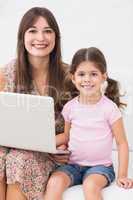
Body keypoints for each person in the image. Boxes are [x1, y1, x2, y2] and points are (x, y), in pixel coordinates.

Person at [0, 7, 72, 200]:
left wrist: (60, 146)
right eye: (32, 31)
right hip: (11, 148)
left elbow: (87, 122)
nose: (41, 37)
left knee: (20, 160)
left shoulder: (70, 76)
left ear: (56, 38)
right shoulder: (7, 73)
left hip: (50, 154)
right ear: (22, 37)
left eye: (48, 31)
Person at [44, 47, 133, 200]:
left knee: (90, 186)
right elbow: (66, 136)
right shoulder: (70, 107)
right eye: (81, 74)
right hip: (72, 165)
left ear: (103, 76)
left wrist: (122, 175)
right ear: (73, 78)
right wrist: (43, 143)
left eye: (93, 74)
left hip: (100, 168)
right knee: (54, 182)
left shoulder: (109, 108)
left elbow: (122, 143)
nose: (87, 79)